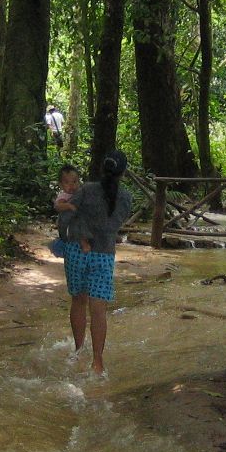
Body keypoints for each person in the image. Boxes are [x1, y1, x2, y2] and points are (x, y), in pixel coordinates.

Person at [65, 149, 133, 377]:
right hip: (103, 254)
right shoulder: (125, 197)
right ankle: (97, 362)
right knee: (98, 310)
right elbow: (112, 226)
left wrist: (83, 235)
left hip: (77, 250)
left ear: (102, 168)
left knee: (78, 300)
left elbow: (68, 215)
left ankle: (77, 350)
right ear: (123, 172)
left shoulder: (85, 190)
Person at [50, 164, 81, 258]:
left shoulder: (80, 194)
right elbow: (57, 206)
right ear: (61, 185)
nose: (71, 185)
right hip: (65, 225)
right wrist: (68, 205)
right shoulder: (63, 196)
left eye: (74, 182)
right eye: (67, 182)